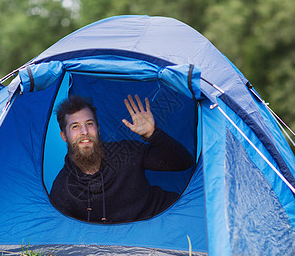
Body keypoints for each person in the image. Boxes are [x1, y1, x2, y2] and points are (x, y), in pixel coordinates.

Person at [49, 94, 193, 223]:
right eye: (75, 126)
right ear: (64, 136)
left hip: (167, 219)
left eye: (89, 124)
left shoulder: (125, 152)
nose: (84, 132)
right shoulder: (63, 189)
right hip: (127, 246)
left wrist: (153, 134)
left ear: (98, 130)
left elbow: (183, 162)